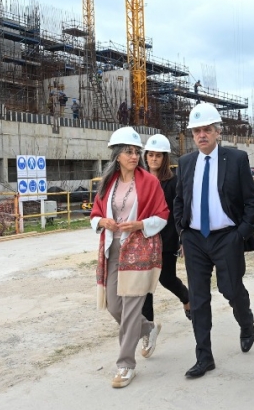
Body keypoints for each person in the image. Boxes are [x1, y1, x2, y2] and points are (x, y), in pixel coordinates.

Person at [173, 103, 254, 379]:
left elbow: (250, 201)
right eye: (196, 130)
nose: (201, 135)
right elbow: (178, 201)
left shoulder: (235, 159)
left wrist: (240, 235)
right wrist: (183, 233)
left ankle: (246, 323)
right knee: (198, 299)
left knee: (231, 289)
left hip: (226, 237)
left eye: (207, 129)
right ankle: (204, 357)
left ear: (218, 131)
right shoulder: (186, 163)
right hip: (196, 239)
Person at [90, 126, 168, 388]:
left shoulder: (150, 182)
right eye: (128, 152)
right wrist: (103, 221)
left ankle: (126, 365)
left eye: (137, 151)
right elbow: (94, 216)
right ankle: (147, 329)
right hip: (113, 250)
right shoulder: (107, 184)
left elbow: (163, 215)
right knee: (114, 306)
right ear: (117, 155)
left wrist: (140, 225)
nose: (134, 156)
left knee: (132, 309)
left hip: (139, 250)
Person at [141, 134, 191, 323]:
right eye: (150, 154)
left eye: (158, 155)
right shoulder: (140, 181)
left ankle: (187, 299)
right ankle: (148, 328)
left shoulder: (173, 182)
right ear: (146, 156)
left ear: (165, 158)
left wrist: (181, 238)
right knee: (145, 284)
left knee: (167, 279)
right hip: (145, 239)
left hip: (167, 240)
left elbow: (179, 212)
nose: (153, 159)